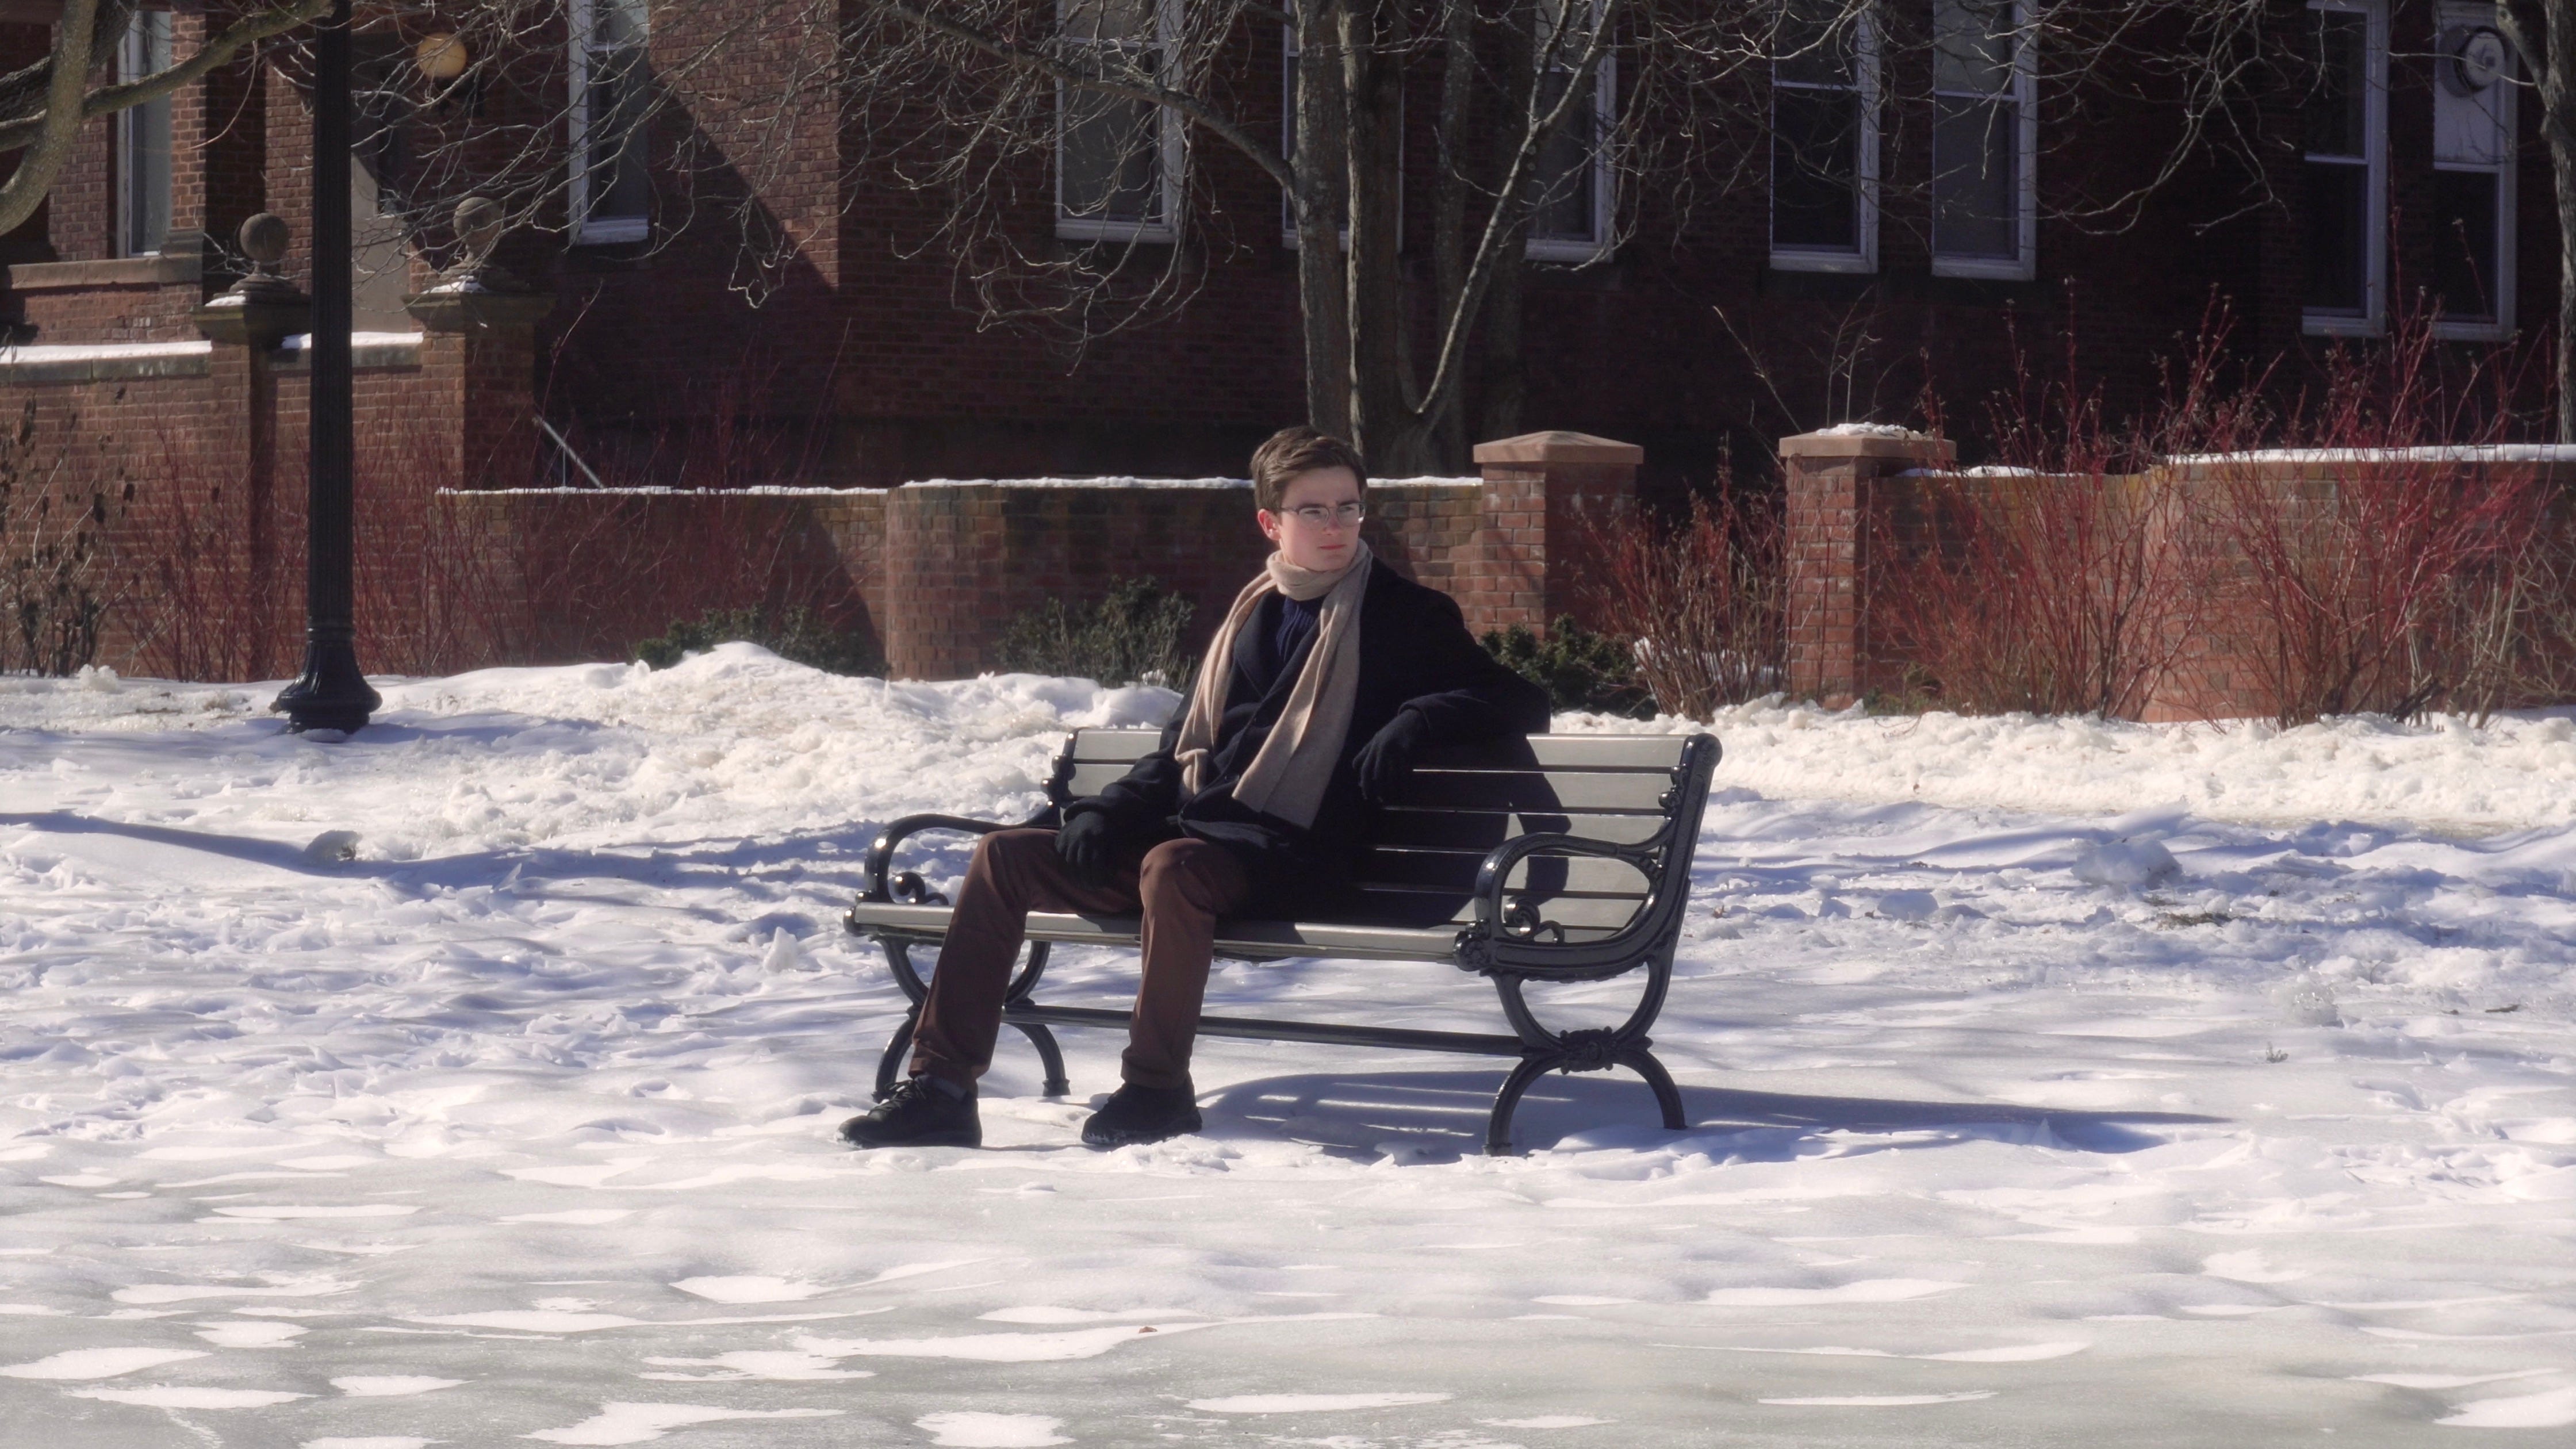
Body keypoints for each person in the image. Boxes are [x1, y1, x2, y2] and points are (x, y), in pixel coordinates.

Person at [839, 426, 1551, 1150]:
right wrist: (1106, 812)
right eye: (1313, 510)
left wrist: (1419, 717)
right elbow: (1182, 752)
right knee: (1005, 856)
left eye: (1348, 507)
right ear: (1270, 523)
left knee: (1172, 866)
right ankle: (941, 1089)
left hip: (1306, 862)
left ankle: (1156, 1091)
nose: (1335, 526)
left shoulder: (1405, 616)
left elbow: (1518, 699)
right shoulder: (1251, 614)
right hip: (1207, 846)